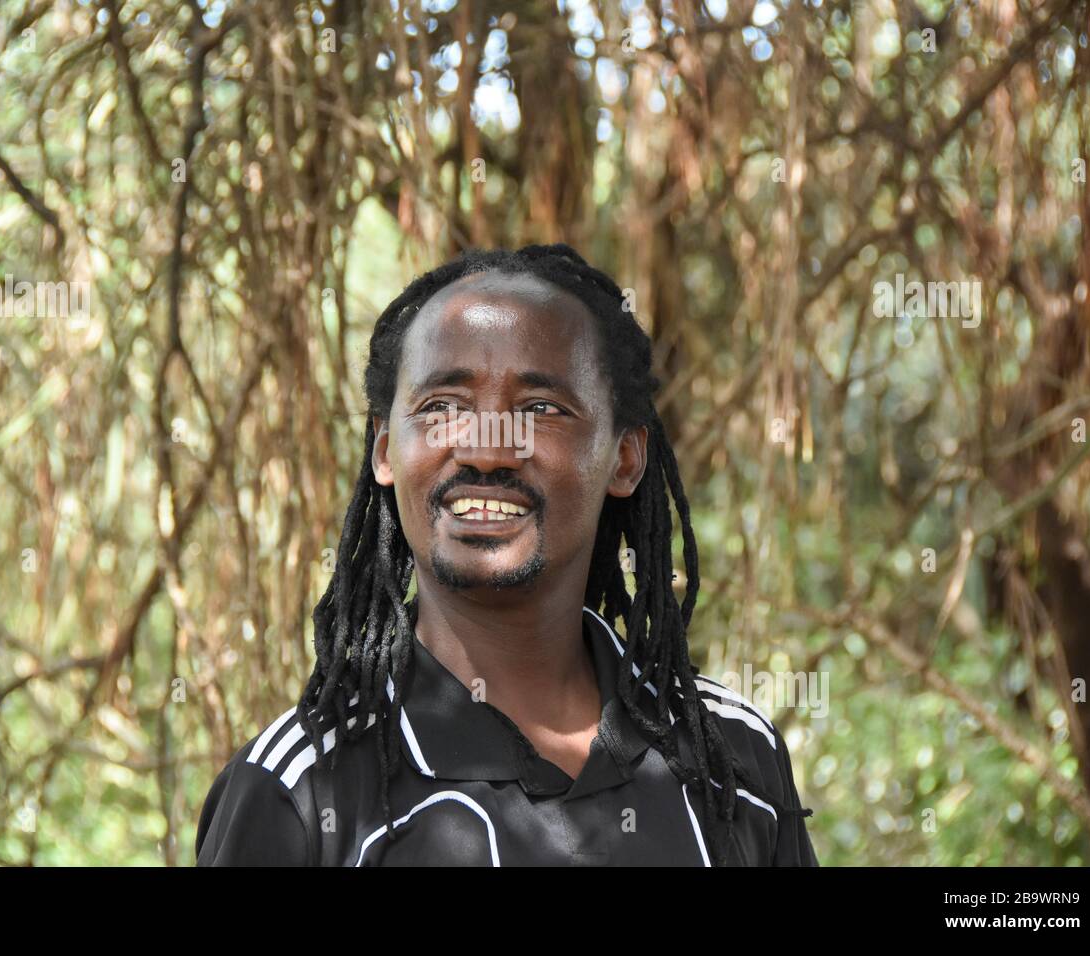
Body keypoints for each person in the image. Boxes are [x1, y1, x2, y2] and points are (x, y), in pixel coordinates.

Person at [195, 243, 819, 866]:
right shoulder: (302, 795)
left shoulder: (729, 757)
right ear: (386, 450)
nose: (486, 450)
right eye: (442, 407)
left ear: (625, 457)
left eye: (540, 408)